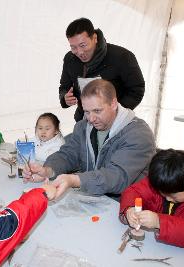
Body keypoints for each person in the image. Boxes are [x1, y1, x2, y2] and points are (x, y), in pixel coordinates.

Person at [23, 79, 155, 200]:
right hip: (94, 199)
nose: (91, 118)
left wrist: (76, 180)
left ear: (114, 103)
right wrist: (48, 170)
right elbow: (68, 154)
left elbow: (117, 177)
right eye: (87, 111)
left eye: (97, 111)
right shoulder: (83, 126)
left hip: (127, 207)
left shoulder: (138, 134)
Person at [59, 17, 145, 122]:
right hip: (84, 121)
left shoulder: (122, 57)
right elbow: (64, 87)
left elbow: (136, 89)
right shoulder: (70, 59)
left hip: (114, 121)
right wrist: (65, 98)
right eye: (73, 47)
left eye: (83, 45)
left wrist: (115, 112)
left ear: (94, 38)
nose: (79, 52)